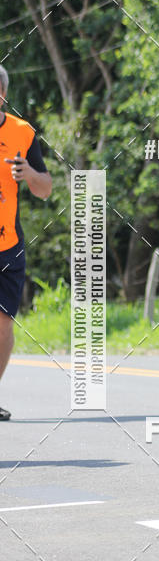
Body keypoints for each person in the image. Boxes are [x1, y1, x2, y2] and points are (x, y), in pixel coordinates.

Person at [0, 65, 52, 420]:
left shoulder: (22, 132)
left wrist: (30, 174)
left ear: (2, 93)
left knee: (3, 325)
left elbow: (45, 189)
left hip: (8, 245)